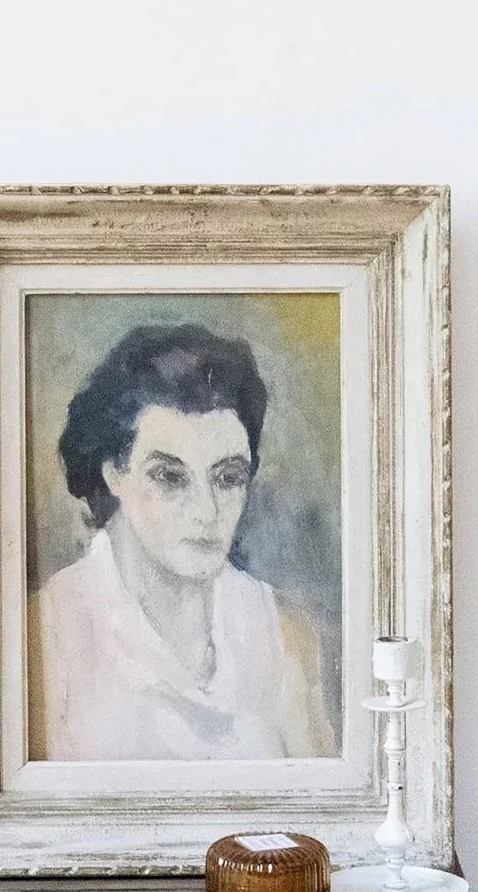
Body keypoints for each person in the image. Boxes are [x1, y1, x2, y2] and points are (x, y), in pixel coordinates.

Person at [30, 323, 334, 760]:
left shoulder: (282, 635)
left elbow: (321, 794)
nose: (206, 512)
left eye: (227, 478)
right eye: (170, 477)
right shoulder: (45, 635)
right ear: (113, 474)